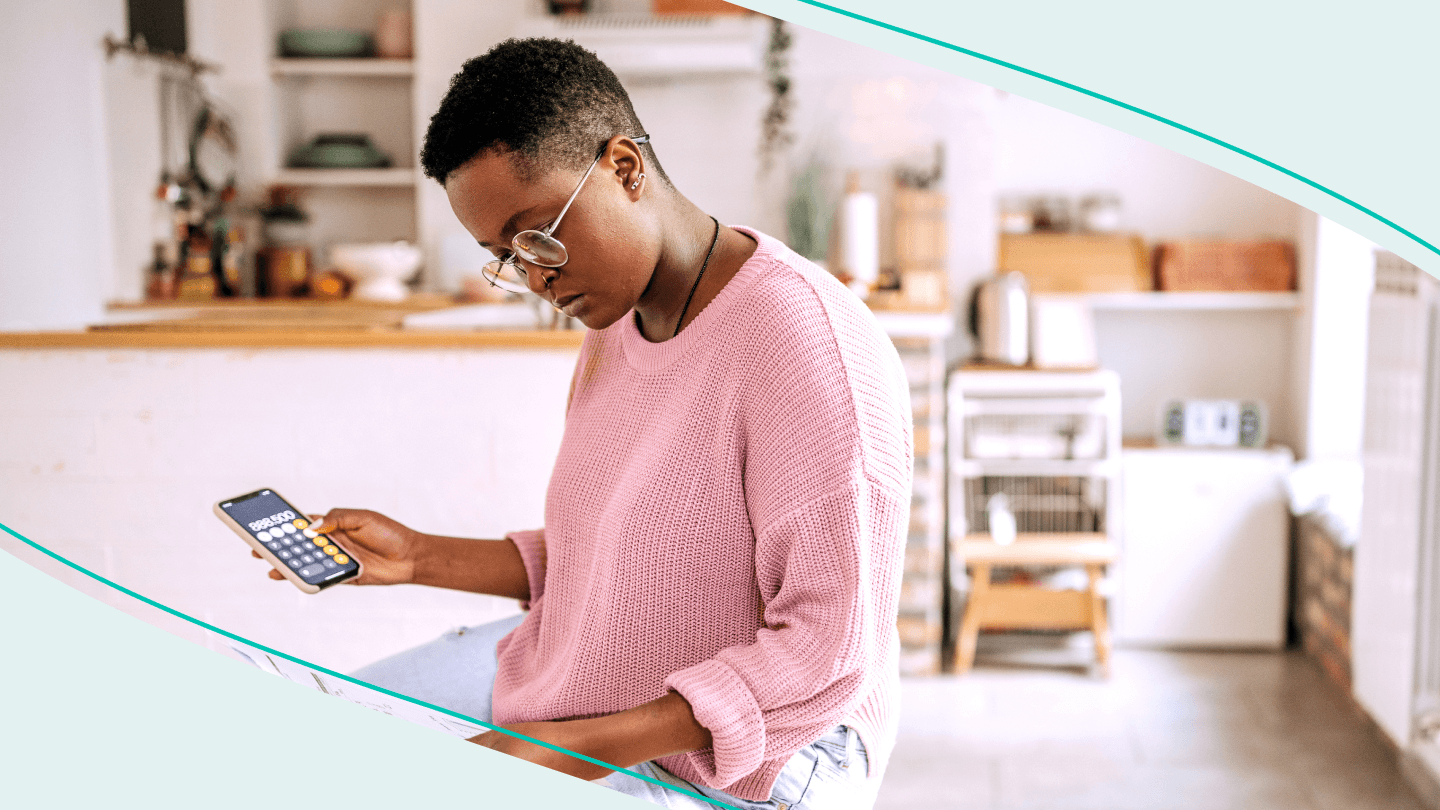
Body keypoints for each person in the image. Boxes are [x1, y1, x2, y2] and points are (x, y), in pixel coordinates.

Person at [264, 37, 912, 809]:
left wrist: (571, 749)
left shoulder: (804, 342)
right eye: (506, 256)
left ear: (624, 167)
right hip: (604, 688)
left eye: (538, 235)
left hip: (769, 754)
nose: (536, 276)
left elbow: (828, 649)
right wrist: (418, 557)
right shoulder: (618, 323)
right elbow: (618, 555)